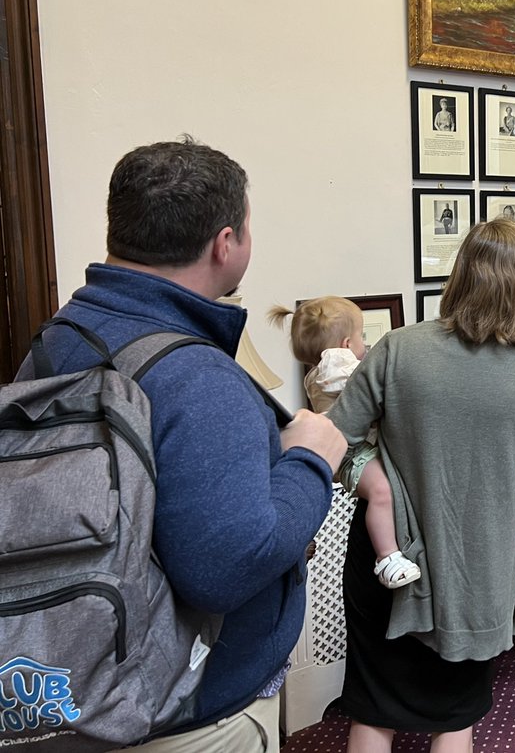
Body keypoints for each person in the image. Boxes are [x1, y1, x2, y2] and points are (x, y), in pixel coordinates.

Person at [23, 137, 346, 751]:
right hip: (188, 717)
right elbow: (227, 568)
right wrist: (310, 460)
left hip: (71, 682)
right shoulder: (198, 378)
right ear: (226, 244)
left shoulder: (57, 338)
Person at [329, 218, 515, 753]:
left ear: (459, 275)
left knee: (373, 707)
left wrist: (383, 489)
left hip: (389, 559)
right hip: (480, 565)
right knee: (456, 717)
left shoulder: (397, 348)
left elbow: (333, 441)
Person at [268, 296, 420, 589]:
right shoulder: (334, 366)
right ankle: (387, 557)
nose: (366, 345)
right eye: (363, 338)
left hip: (353, 451)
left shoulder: (318, 370)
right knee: (381, 491)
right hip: (353, 454)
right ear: (347, 344)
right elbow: (362, 384)